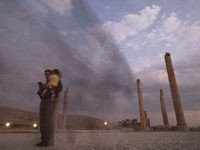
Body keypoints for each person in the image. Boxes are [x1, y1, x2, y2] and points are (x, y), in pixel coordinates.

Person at [36, 69, 62, 147]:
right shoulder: (45, 83)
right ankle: (43, 140)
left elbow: (59, 89)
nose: (46, 76)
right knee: (42, 121)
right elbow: (40, 94)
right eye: (45, 75)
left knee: (48, 121)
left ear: (51, 74)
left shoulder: (57, 81)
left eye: (47, 74)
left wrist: (49, 87)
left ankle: (50, 141)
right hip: (43, 101)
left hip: (51, 101)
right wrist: (41, 89)